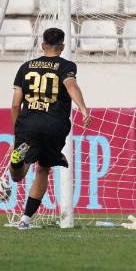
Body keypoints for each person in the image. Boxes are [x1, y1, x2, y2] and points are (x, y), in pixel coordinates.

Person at [7, 28, 91, 229]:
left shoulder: (25, 67)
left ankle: (19, 157)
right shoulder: (66, 65)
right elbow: (70, 85)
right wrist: (83, 109)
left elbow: (15, 105)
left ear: (42, 45)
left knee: (17, 176)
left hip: (28, 122)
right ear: (62, 47)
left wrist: (16, 134)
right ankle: (25, 220)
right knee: (43, 169)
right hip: (54, 124)